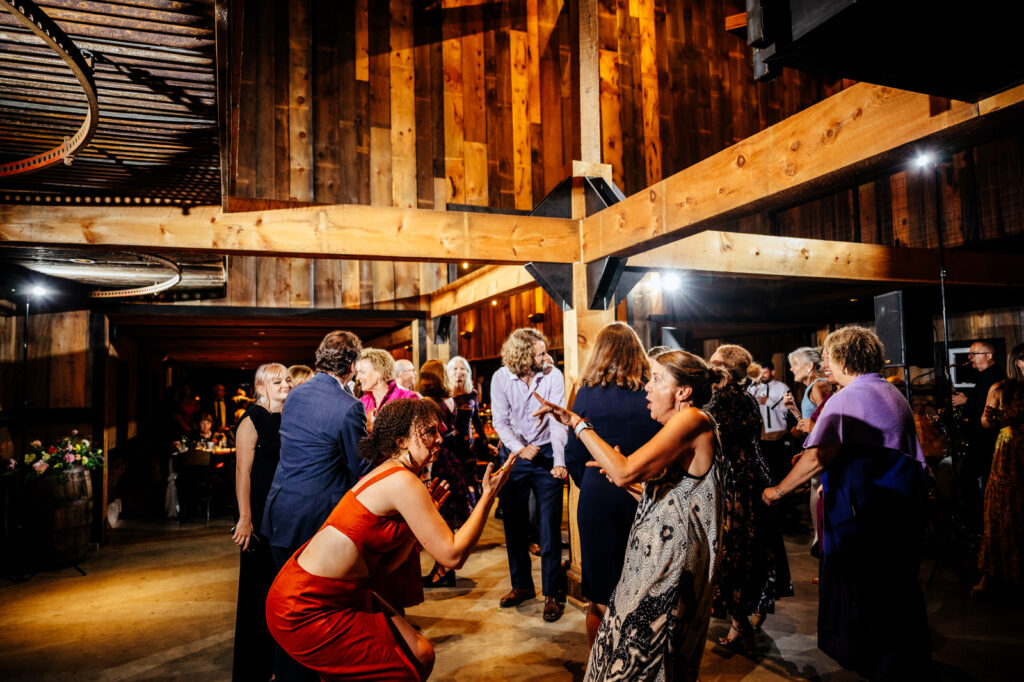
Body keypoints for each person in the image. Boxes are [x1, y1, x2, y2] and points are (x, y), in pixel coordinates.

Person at [265, 399, 516, 681]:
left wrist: (413, 527)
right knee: (398, 673)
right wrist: (487, 498)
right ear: (402, 441)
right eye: (428, 432)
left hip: (344, 590)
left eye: (437, 430)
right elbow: (452, 556)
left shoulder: (399, 473)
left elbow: (387, 566)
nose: (438, 439)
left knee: (421, 654)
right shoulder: (402, 481)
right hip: (306, 605)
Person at [533, 349, 724, 682]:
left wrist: (578, 424)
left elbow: (624, 472)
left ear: (683, 392)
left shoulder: (692, 419)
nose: (647, 388)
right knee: (634, 652)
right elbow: (673, 500)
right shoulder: (685, 424)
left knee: (647, 655)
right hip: (657, 563)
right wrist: (629, 481)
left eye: (656, 379)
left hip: (671, 568)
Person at [762, 326, 934, 680]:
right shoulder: (890, 390)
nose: (825, 364)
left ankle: (876, 662)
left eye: (828, 357)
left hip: (866, 508)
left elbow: (818, 457)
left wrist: (776, 491)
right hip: (901, 504)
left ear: (843, 358)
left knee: (865, 590)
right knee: (896, 587)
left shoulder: (847, 397)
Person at [262, 331, 369, 680]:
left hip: (281, 511)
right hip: (316, 520)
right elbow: (360, 469)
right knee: (316, 612)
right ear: (352, 366)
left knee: (285, 606)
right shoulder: (349, 407)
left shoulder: (296, 396)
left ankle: (285, 673)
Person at [563, 322, 661, 647]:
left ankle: (600, 670)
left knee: (600, 595)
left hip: (598, 497)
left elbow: (574, 453)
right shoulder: (652, 393)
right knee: (645, 591)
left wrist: (591, 480)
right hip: (645, 496)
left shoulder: (587, 393)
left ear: (599, 352)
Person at [706, 345, 791, 648]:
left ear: (724, 370)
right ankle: (747, 613)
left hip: (733, 486)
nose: (708, 367)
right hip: (755, 478)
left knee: (731, 555)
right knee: (750, 551)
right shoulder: (748, 400)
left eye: (713, 363)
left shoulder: (720, 401)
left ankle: (738, 624)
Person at [490, 328, 568, 622]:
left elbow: (559, 421)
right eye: (541, 353)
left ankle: (551, 593)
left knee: (549, 526)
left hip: (548, 452)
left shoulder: (553, 376)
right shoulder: (501, 379)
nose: (547, 357)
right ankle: (522, 586)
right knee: (514, 523)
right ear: (523, 358)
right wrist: (520, 449)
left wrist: (559, 460)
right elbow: (500, 421)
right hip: (515, 454)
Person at [231, 363, 291, 682]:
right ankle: (255, 668)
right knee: (258, 589)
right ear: (261, 387)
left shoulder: (289, 416)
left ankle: (279, 663)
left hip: (284, 511)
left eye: (287, 379)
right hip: (258, 511)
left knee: (281, 587)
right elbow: (242, 472)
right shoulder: (252, 420)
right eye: (277, 381)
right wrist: (244, 517)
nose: (285, 384)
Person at [356, 348, 424, 611]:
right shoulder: (361, 404)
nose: (358, 376)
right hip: (371, 486)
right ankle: (378, 613)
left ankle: (398, 614)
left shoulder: (408, 398)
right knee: (374, 550)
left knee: (400, 547)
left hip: (401, 483)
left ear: (381, 371)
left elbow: (426, 438)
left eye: (363, 370)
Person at [972, 343, 1024, 598]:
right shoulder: (1001, 388)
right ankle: (991, 576)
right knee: (1000, 513)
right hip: (1009, 453)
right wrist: (991, 416)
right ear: (1017, 362)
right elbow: (984, 421)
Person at [418, 361, 474, 588]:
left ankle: (443, 569)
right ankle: (444, 568)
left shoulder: (426, 403)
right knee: (446, 519)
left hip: (438, 461)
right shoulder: (451, 401)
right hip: (452, 461)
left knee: (438, 517)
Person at [784, 346, 832, 554]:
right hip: (815, 450)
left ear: (810, 365)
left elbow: (828, 421)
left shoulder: (819, 386)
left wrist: (810, 428)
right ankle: (820, 545)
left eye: (795, 364)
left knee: (820, 500)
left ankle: (822, 546)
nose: (792, 369)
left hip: (822, 454)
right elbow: (812, 424)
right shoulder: (810, 388)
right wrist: (795, 412)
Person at [953, 341, 1006, 525]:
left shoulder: (995, 377)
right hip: (981, 438)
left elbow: (987, 412)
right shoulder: (984, 376)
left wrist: (965, 401)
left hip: (987, 439)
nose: (969, 358)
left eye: (973, 353)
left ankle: (978, 523)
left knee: (968, 478)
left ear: (988, 356)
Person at [747, 360, 793, 482]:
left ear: (773, 372)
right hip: (760, 437)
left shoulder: (783, 388)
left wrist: (769, 402)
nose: (762, 376)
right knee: (762, 470)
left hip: (777, 435)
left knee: (778, 469)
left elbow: (787, 410)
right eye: (760, 373)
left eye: (765, 373)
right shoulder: (753, 388)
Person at [356, 349, 420, 430]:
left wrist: (376, 429)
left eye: (362, 372)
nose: (358, 377)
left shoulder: (408, 398)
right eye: (357, 372)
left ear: (379, 373)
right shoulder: (363, 402)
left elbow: (417, 434)